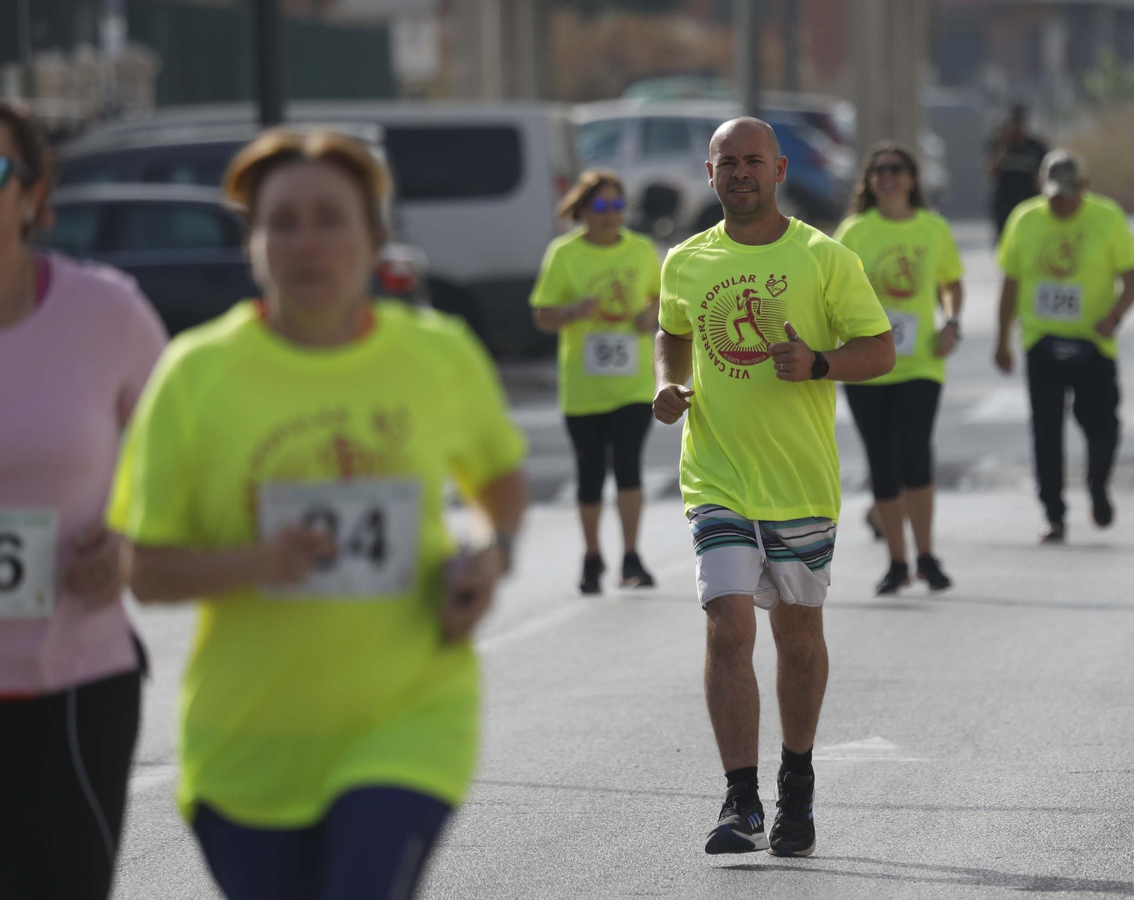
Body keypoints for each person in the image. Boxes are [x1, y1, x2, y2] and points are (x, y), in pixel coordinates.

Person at [106, 130, 527, 899]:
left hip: (408, 715)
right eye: (283, 222)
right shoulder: (195, 375)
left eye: (330, 218)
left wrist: (488, 551)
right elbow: (147, 570)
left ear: (374, 239)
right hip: (247, 747)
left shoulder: (439, 354)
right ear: (254, 246)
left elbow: (498, 479)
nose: (307, 242)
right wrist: (256, 562)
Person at [654, 117, 892, 857]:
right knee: (728, 624)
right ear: (710, 172)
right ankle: (740, 799)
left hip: (798, 484)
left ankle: (797, 782)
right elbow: (672, 330)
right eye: (727, 162)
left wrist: (819, 364)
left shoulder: (824, 257)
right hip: (716, 474)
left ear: (780, 169)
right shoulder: (686, 260)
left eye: (753, 160)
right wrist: (668, 381)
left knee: (797, 636)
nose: (740, 173)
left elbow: (880, 350)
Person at [0, 100, 166, 900]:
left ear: (33, 195)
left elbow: (181, 462)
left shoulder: (106, 313)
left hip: (73, 687)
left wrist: (129, 543)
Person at [834, 143, 963, 593]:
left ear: (912, 179)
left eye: (896, 169)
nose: (887, 177)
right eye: (879, 170)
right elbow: (832, 289)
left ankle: (926, 555)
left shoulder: (932, 228)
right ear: (869, 182)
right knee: (881, 461)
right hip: (866, 362)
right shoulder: (853, 231)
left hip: (920, 363)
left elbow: (950, 282)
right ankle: (896, 561)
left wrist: (951, 320)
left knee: (914, 452)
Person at [995, 150, 1134, 542]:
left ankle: (1097, 483)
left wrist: (1114, 317)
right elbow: (1010, 284)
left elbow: (1133, 278)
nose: (1061, 202)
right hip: (1041, 341)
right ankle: (1054, 513)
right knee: (1045, 429)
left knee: (1102, 423)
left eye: (1068, 194)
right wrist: (1001, 339)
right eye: (1053, 194)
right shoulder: (1025, 219)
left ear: (1085, 188)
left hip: (1093, 340)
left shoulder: (1107, 218)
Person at [533, 171, 661, 594]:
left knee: (628, 467)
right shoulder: (564, 254)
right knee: (590, 474)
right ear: (583, 210)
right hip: (584, 387)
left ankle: (631, 556)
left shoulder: (642, 250)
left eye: (618, 206)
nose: (611, 215)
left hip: (633, 385)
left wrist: (652, 315)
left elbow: (666, 299)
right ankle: (591, 556)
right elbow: (542, 315)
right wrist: (573, 311)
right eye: (602, 207)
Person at [986, 105, 1049, 245]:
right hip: (1005, 203)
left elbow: (1044, 176)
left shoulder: (1035, 146)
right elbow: (992, 171)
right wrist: (1005, 145)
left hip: (1029, 201)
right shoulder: (998, 144)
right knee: (1005, 242)